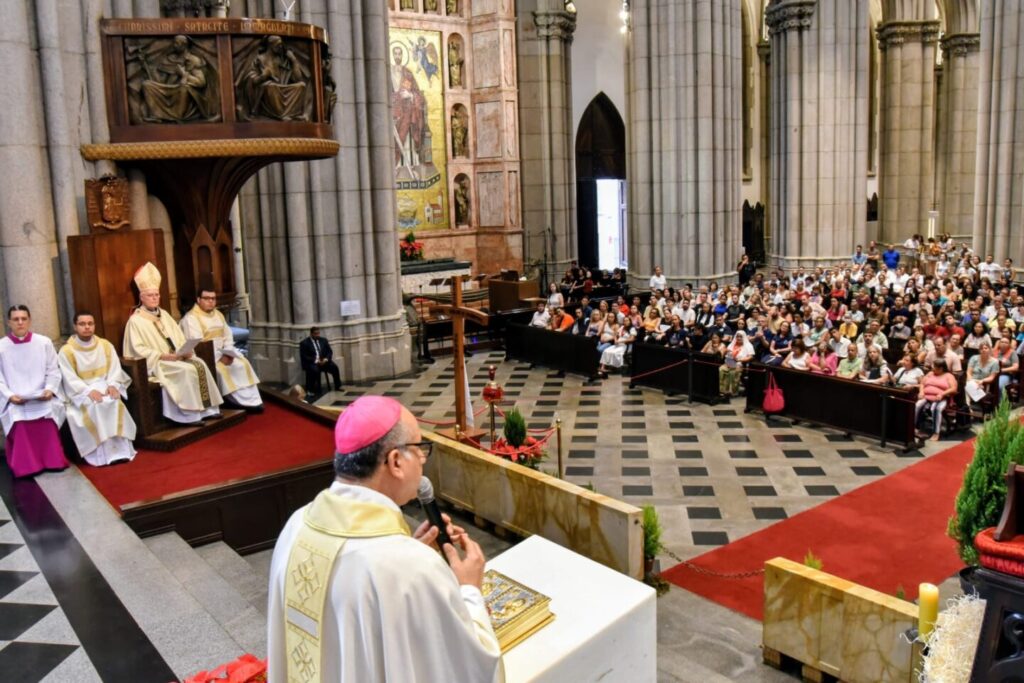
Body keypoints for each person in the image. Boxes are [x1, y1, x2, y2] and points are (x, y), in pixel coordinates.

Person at [267, 396, 503, 682]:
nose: (423, 460)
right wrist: (469, 590)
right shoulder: (413, 568)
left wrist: (406, 546)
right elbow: (471, 667)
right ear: (395, 461)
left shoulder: (296, 526)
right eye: (420, 449)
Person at [123, 263, 223, 424]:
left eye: (157, 294)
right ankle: (188, 415)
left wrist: (186, 351)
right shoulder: (135, 321)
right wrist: (162, 356)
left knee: (199, 364)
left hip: (176, 357)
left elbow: (179, 337)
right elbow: (137, 350)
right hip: (159, 363)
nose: (155, 298)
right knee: (185, 371)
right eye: (150, 295)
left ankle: (208, 410)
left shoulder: (164, 315)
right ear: (141, 297)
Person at [58, 311, 137, 466]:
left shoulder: (105, 345)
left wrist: (113, 385)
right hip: (82, 392)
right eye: (82, 324)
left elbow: (114, 369)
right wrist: (87, 392)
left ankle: (121, 452)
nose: (87, 327)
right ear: (75, 326)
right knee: (96, 406)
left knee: (113, 402)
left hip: (105, 386)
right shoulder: (66, 351)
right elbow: (69, 379)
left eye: (90, 323)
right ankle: (101, 456)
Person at [0, 306, 68, 478]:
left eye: (24, 318)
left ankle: (53, 461)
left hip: (42, 396)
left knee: (48, 414)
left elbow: (53, 370)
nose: (20, 322)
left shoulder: (43, 342)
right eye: (16, 319)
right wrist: (9, 396)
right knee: (19, 419)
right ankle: (26, 466)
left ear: (30, 320)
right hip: (16, 399)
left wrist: (50, 389)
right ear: (9, 322)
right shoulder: (1, 347)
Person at [181, 288, 263, 411]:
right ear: (198, 300)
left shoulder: (218, 314)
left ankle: (253, 400)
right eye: (207, 298)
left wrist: (229, 351)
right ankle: (234, 401)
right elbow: (198, 345)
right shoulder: (191, 319)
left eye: (213, 299)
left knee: (242, 363)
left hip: (224, 353)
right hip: (208, 357)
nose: (211, 302)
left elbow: (228, 335)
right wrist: (220, 358)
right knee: (221, 370)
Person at [915, 359, 958, 441]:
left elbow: (954, 389)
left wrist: (942, 394)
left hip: (942, 398)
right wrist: (921, 392)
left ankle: (936, 432)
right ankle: (916, 427)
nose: (932, 368)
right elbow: (922, 384)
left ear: (941, 368)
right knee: (918, 405)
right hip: (926, 396)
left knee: (936, 409)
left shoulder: (948, 376)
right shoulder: (930, 373)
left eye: (934, 366)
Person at [300, 327, 343, 396]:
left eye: (318, 333)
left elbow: (329, 351)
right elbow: (304, 356)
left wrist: (326, 359)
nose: (317, 335)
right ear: (311, 334)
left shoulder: (323, 340)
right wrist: (316, 360)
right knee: (314, 370)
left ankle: (337, 386)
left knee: (334, 367)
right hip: (312, 362)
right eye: (315, 334)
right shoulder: (305, 343)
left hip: (324, 361)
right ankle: (311, 390)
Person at [719, 331, 753, 398]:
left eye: (741, 336)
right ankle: (723, 391)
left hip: (739, 363)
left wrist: (740, 360)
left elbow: (750, 357)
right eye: (737, 336)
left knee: (733, 372)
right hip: (728, 362)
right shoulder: (732, 344)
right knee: (721, 369)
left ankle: (733, 391)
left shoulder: (748, 345)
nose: (739, 338)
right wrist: (725, 351)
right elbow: (725, 353)